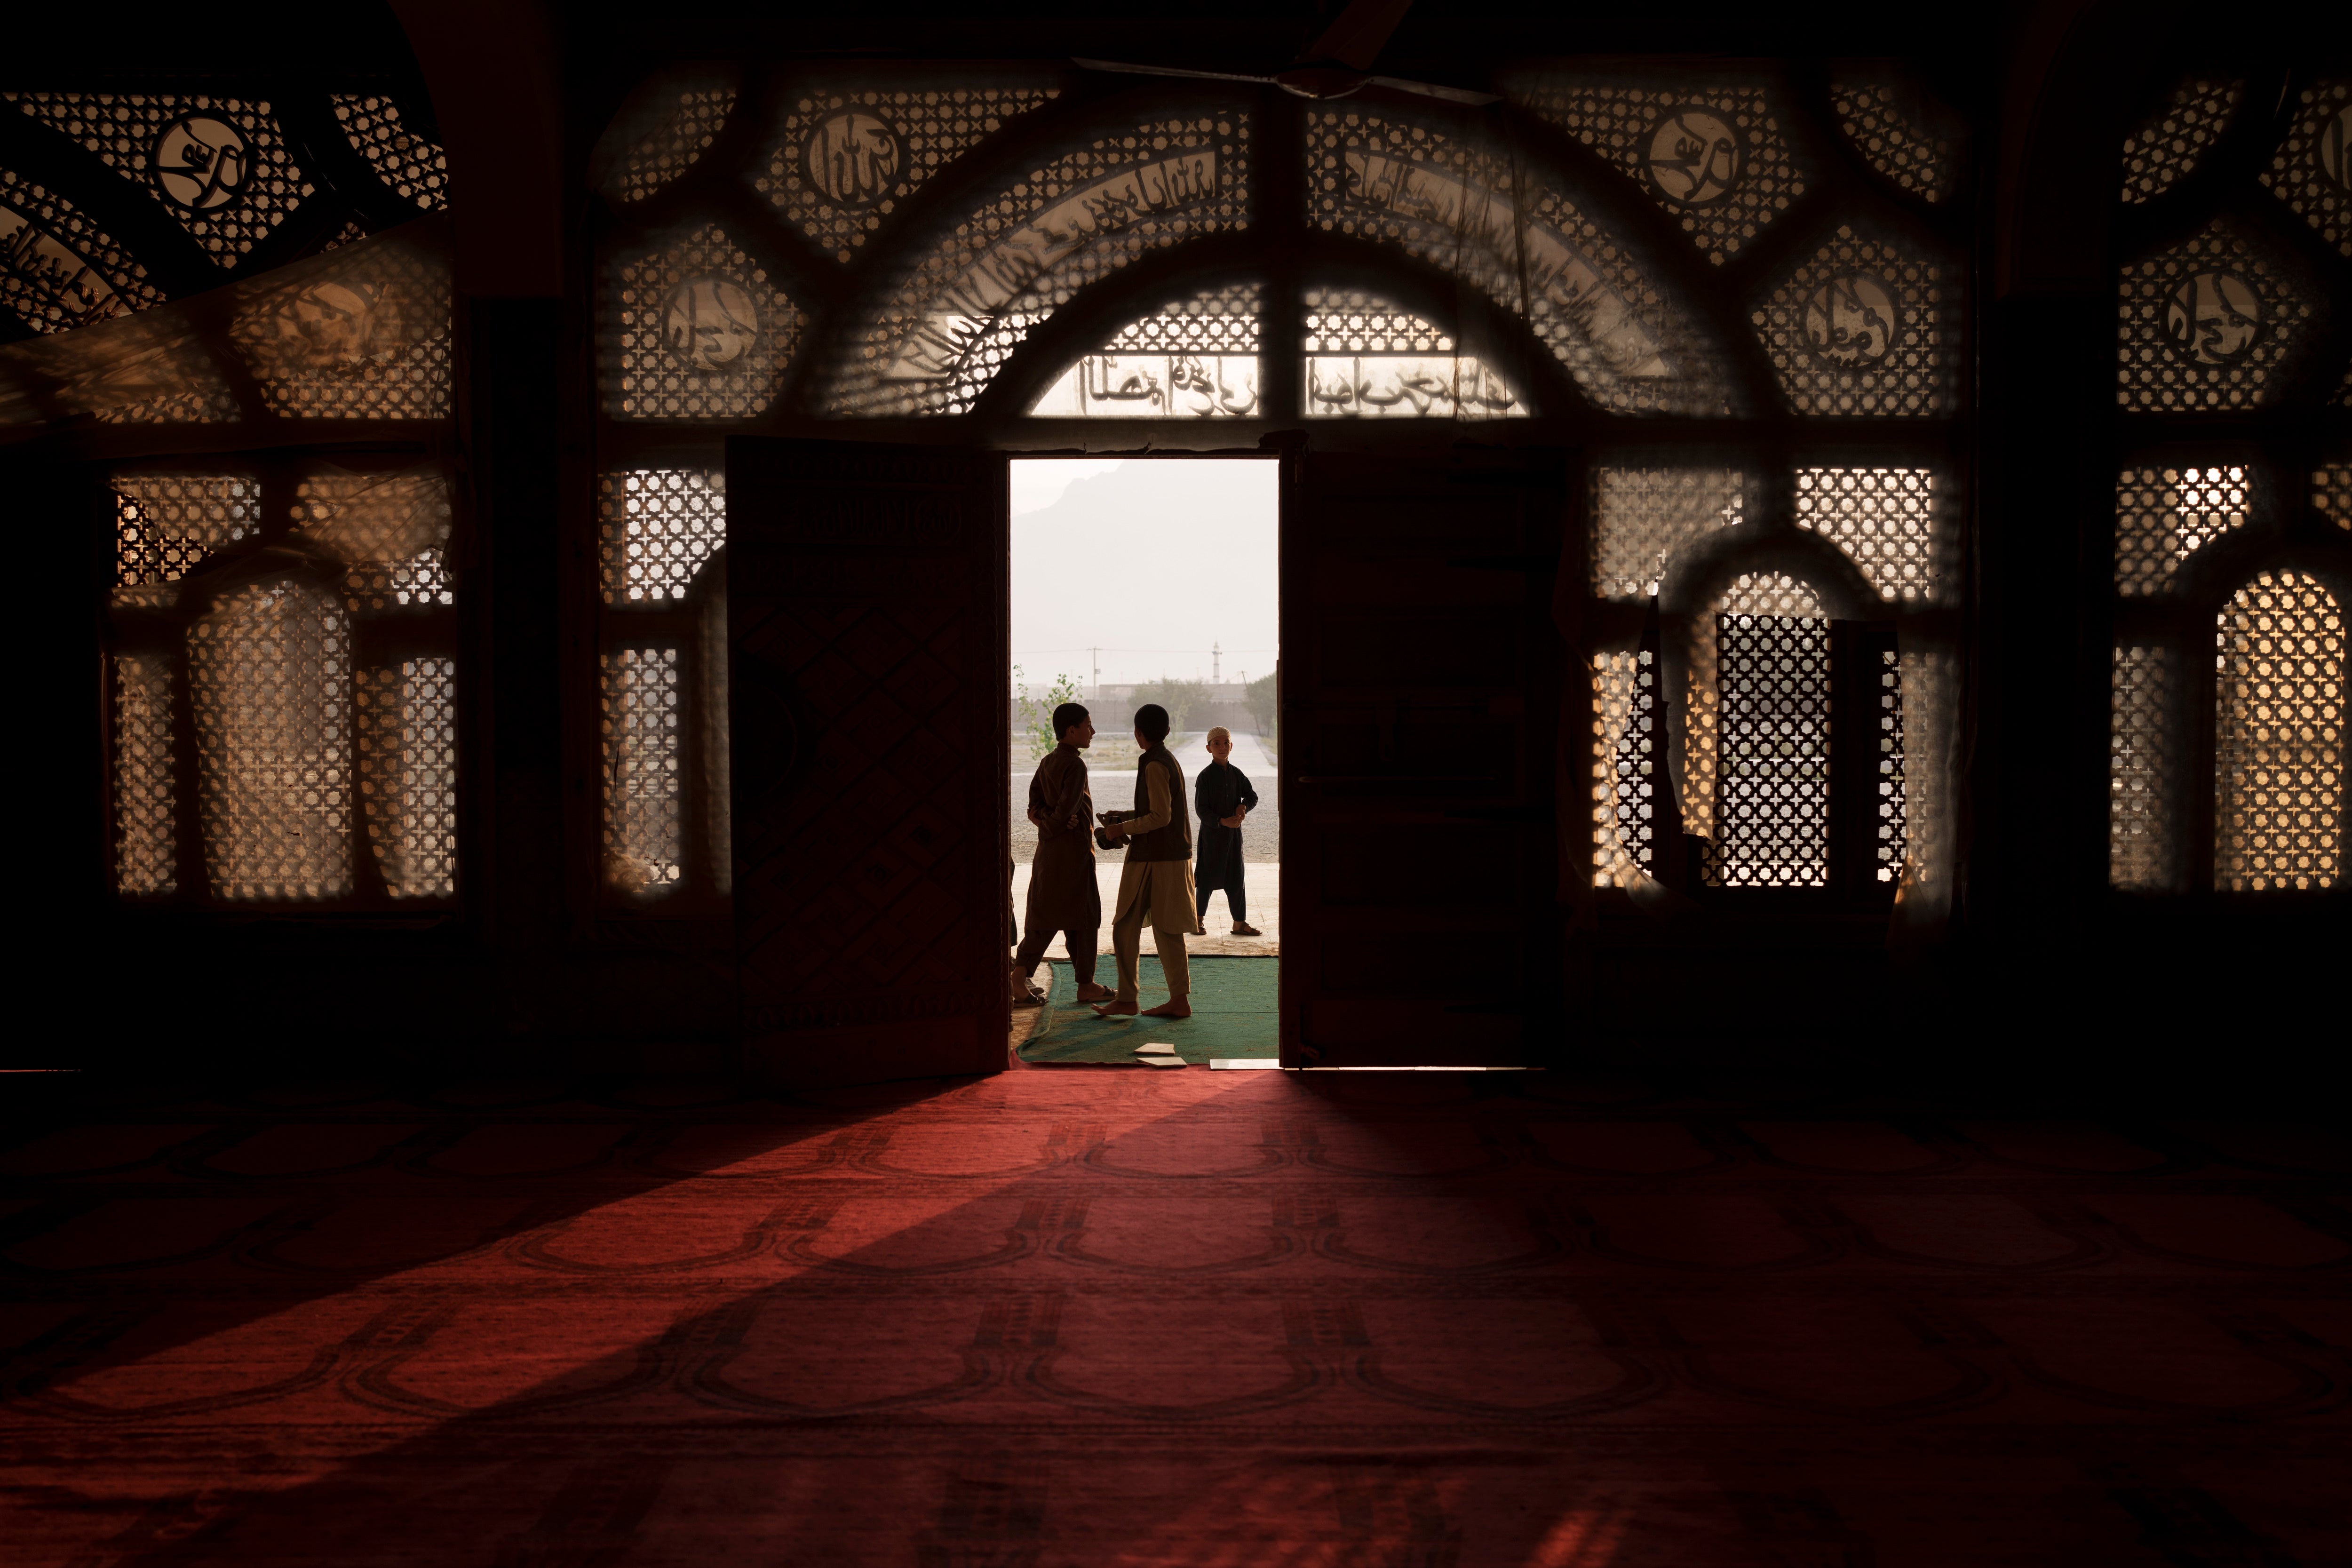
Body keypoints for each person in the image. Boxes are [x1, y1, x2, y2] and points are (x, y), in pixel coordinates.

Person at [1093, 703, 1200, 1019]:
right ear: (1167, 732)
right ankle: (1176, 1000)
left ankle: (1128, 998)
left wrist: (1119, 829)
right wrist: (1123, 817)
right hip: (1169, 855)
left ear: (1138, 734)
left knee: (1125, 926)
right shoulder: (1167, 759)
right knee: (1167, 931)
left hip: (1154, 858)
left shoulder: (1154, 764)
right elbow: (1159, 811)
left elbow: (1159, 816)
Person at [1012, 703, 1115, 1007]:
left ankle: (1076, 982)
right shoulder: (1076, 766)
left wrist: (1045, 820)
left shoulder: (1047, 762)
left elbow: (1034, 806)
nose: (1093, 732)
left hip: (1051, 856)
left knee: (1057, 919)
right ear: (1072, 731)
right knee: (1075, 919)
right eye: (1088, 725)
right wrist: (1053, 824)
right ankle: (1073, 984)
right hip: (1071, 857)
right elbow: (1064, 811)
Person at [1193, 726, 1262, 936]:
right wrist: (1222, 822)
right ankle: (1197, 919)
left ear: (1231, 746)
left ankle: (1239, 923)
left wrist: (1243, 807)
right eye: (1217, 744)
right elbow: (1201, 810)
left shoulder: (1237, 774)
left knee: (1236, 877)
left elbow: (1252, 796)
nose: (1222, 747)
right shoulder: (1205, 777)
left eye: (1226, 743)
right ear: (1208, 748)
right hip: (1211, 837)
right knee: (1205, 879)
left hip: (1233, 838)